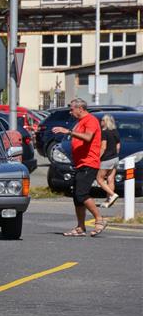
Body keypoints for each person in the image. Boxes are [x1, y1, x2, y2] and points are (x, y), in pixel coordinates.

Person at [52, 98, 106, 237]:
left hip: (89, 162)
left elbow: (88, 137)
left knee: (81, 194)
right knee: (77, 196)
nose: (70, 112)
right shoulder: (80, 122)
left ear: (80, 108)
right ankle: (80, 227)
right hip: (80, 163)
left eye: (72, 109)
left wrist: (68, 132)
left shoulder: (91, 120)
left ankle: (99, 219)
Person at [97, 114, 121, 208]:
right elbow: (118, 145)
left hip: (106, 159)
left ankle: (112, 194)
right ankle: (108, 201)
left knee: (100, 179)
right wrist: (115, 154)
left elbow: (103, 147)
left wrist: (97, 158)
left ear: (106, 121)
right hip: (115, 158)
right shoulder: (115, 131)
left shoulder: (104, 132)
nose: (101, 122)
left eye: (102, 120)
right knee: (110, 179)